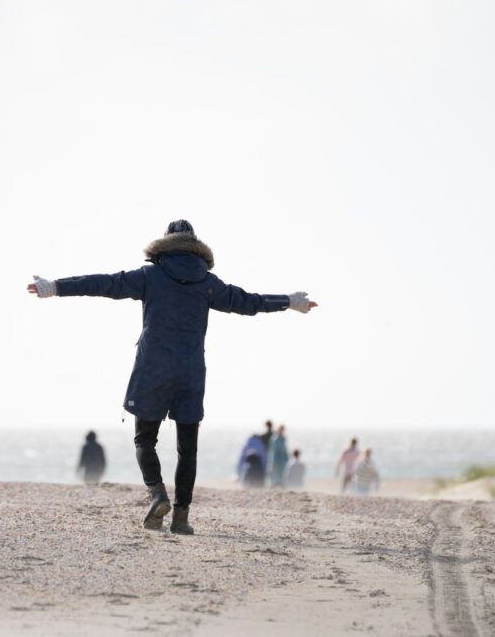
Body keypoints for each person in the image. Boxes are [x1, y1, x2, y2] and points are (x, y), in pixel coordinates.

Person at [28, 220, 317, 534]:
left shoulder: (150, 276)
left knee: (144, 440)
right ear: (195, 245)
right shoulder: (208, 283)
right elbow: (249, 302)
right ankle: (181, 518)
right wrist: (290, 302)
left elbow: (104, 284)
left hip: (153, 368)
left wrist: (54, 286)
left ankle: (157, 495)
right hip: (190, 372)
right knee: (187, 450)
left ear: (164, 243)